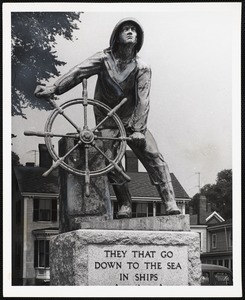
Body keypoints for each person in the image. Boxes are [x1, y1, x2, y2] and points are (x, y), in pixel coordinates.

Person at [34, 17, 181, 218]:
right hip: (107, 120)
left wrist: (138, 129)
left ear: (139, 38)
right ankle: (125, 204)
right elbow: (77, 73)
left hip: (133, 119)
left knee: (154, 156)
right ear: (116, 36)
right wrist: (54, 88)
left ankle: (170, 201)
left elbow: (143, 100)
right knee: (111, 162)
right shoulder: (103, 59)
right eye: (126, 29)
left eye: (134, 30)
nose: (130, 32)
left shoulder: (142, 67)